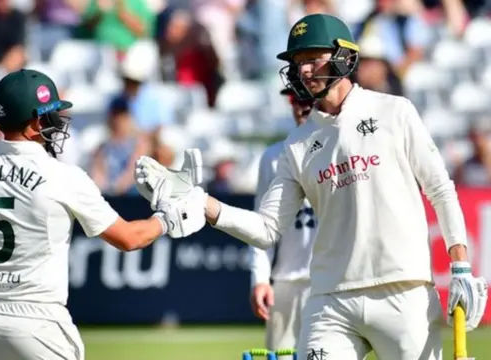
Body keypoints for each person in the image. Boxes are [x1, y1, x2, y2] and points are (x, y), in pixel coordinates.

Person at [134, 13, 488, 359]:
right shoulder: (297, 145)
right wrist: (205, 204)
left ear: (344, 56)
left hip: (402, 289)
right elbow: (267, 229)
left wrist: (460, 267)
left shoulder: (395, 112)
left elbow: (440, 190)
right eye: (297, 62)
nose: (303, 70)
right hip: (330, 299)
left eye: (312, 59)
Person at [0, 69, 207, 360]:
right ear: (33, 122)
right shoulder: (65, 176)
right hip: (36, 319)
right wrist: (167, 218)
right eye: (51, 116)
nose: (57, 124)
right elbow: (129, 239)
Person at [249, 87, 315, 351]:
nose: (302, 107)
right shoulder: (273, 158)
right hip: (286, 282)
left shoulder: (342, 149)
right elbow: (261, 226)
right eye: (296, 100)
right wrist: (260, 279)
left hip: (330, 281)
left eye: (308, 99)